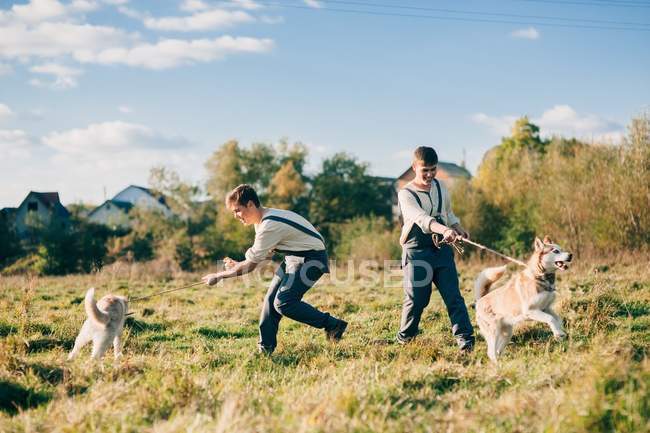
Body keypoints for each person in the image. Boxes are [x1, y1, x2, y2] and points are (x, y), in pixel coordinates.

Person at [202, 184, 347, 355]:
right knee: (271, 301)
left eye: (237, 210)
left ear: (250, 204)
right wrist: (240, 263)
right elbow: (263, 257)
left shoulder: (269, 225)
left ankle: (333, 325)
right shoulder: (262, 221)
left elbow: (250, 266)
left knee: (284, 302)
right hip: (295, 257)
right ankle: (266, 349)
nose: (236, 216)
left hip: (312, 259)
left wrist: (219, 275)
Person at [396, 146, 475, 352]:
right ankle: (406, 337)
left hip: (441, 250)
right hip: (416, 252)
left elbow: (447, 213)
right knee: (417, 299)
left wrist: (458, 228)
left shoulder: (440, 187)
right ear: (415, 167)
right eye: (425, 170)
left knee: (453, 296)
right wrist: (445, 230)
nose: (430, 174)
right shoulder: (406, 195)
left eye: (433, 169)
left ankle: (465, 339)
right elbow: (422, 219)